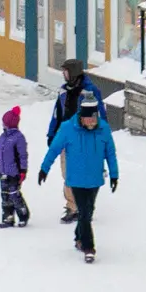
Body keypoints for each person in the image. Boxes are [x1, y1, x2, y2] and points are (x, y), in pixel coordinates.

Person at [38, 81, 120, 264]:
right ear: (81, 116)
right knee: (84, 213)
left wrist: (114, 174)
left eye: (94, 118)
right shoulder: (68, 128)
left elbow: (110, 153)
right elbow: (54, 149)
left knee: (87, 212)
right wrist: (44, 169)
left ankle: (78, 237)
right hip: (75, 179)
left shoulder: (103, 129)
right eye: (88, 118)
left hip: (95, 179)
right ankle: (89, 248)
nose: (91, 122)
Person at [48, 63, 88, 225]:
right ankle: (73, 205)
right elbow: (56, 115)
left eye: (66, 72)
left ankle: (77, 206)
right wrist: (51, 135)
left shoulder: (87, 95)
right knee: (67, 174)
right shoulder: (63, 93)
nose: (64, 75)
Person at [0, 107, 30, 229]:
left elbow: (23, 156)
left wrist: (23, 171)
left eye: (4, 122)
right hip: (2, 172)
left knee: (14, 194)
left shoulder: (18, 138)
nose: (3, 124)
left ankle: (23, 215)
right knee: (5, 196)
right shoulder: (2, 137)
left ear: (10, 123)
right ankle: (8, 218)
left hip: (14, 173)